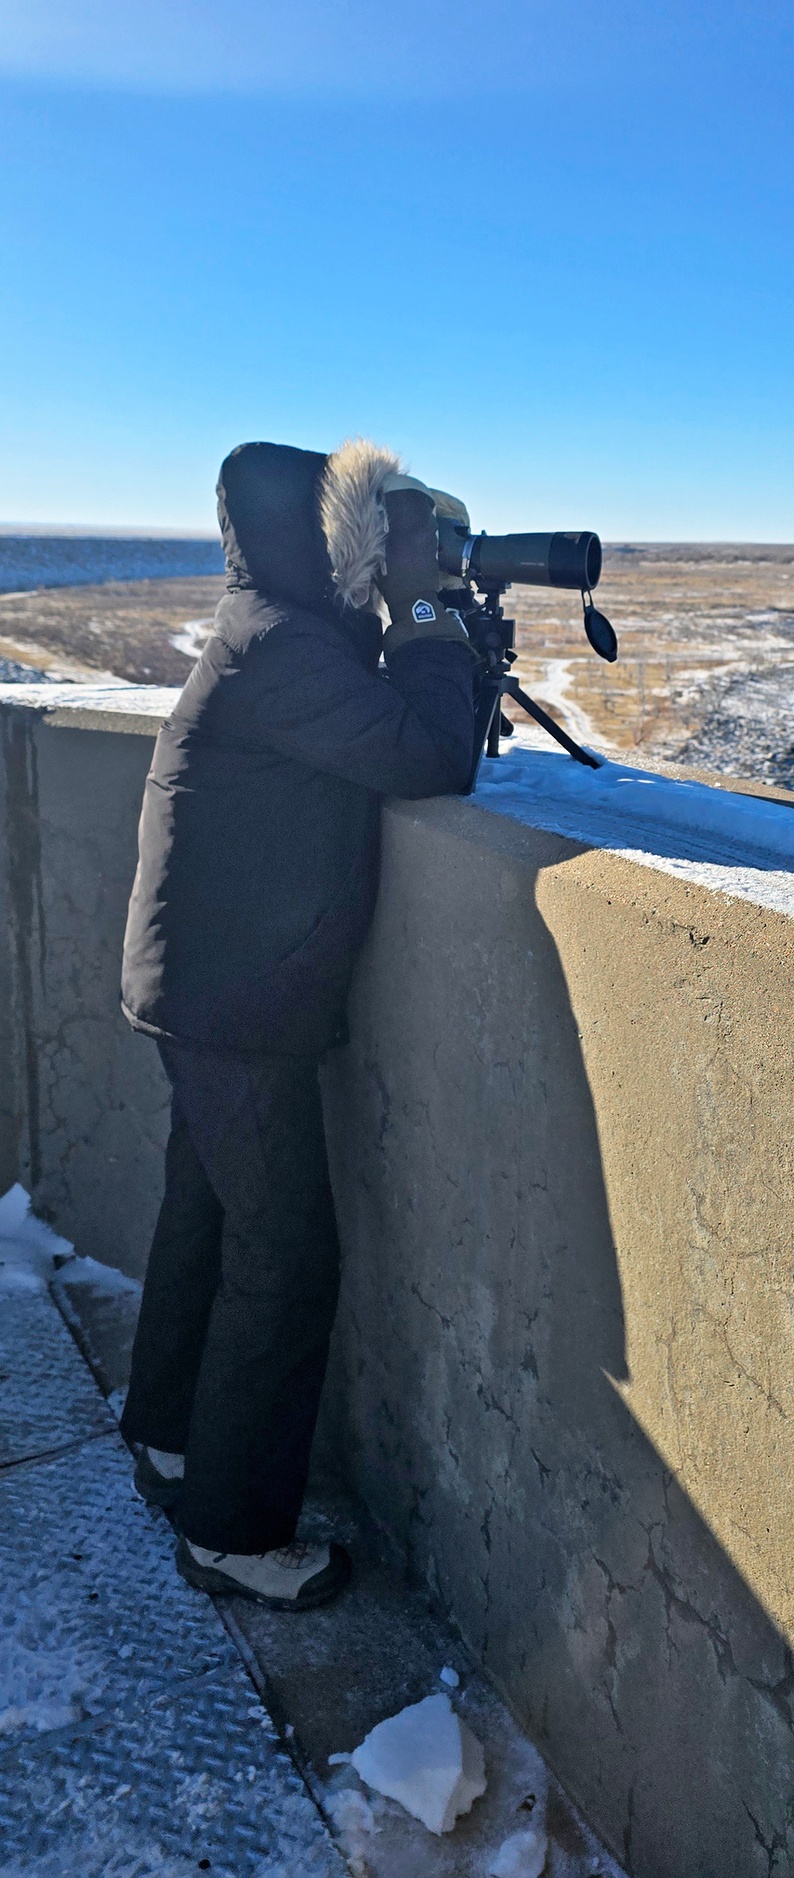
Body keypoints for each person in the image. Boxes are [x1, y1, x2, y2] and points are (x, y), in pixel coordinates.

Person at [119, 437, 475, 1611]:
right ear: (324, 538)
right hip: (235, 998)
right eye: (371, 531)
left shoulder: (270, 628)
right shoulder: (286, 652)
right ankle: (230, 1530)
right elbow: (432, 757)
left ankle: (171, 1432)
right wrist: (422, 600)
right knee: (286, 1257)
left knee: (209, 1215)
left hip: (210, 984)